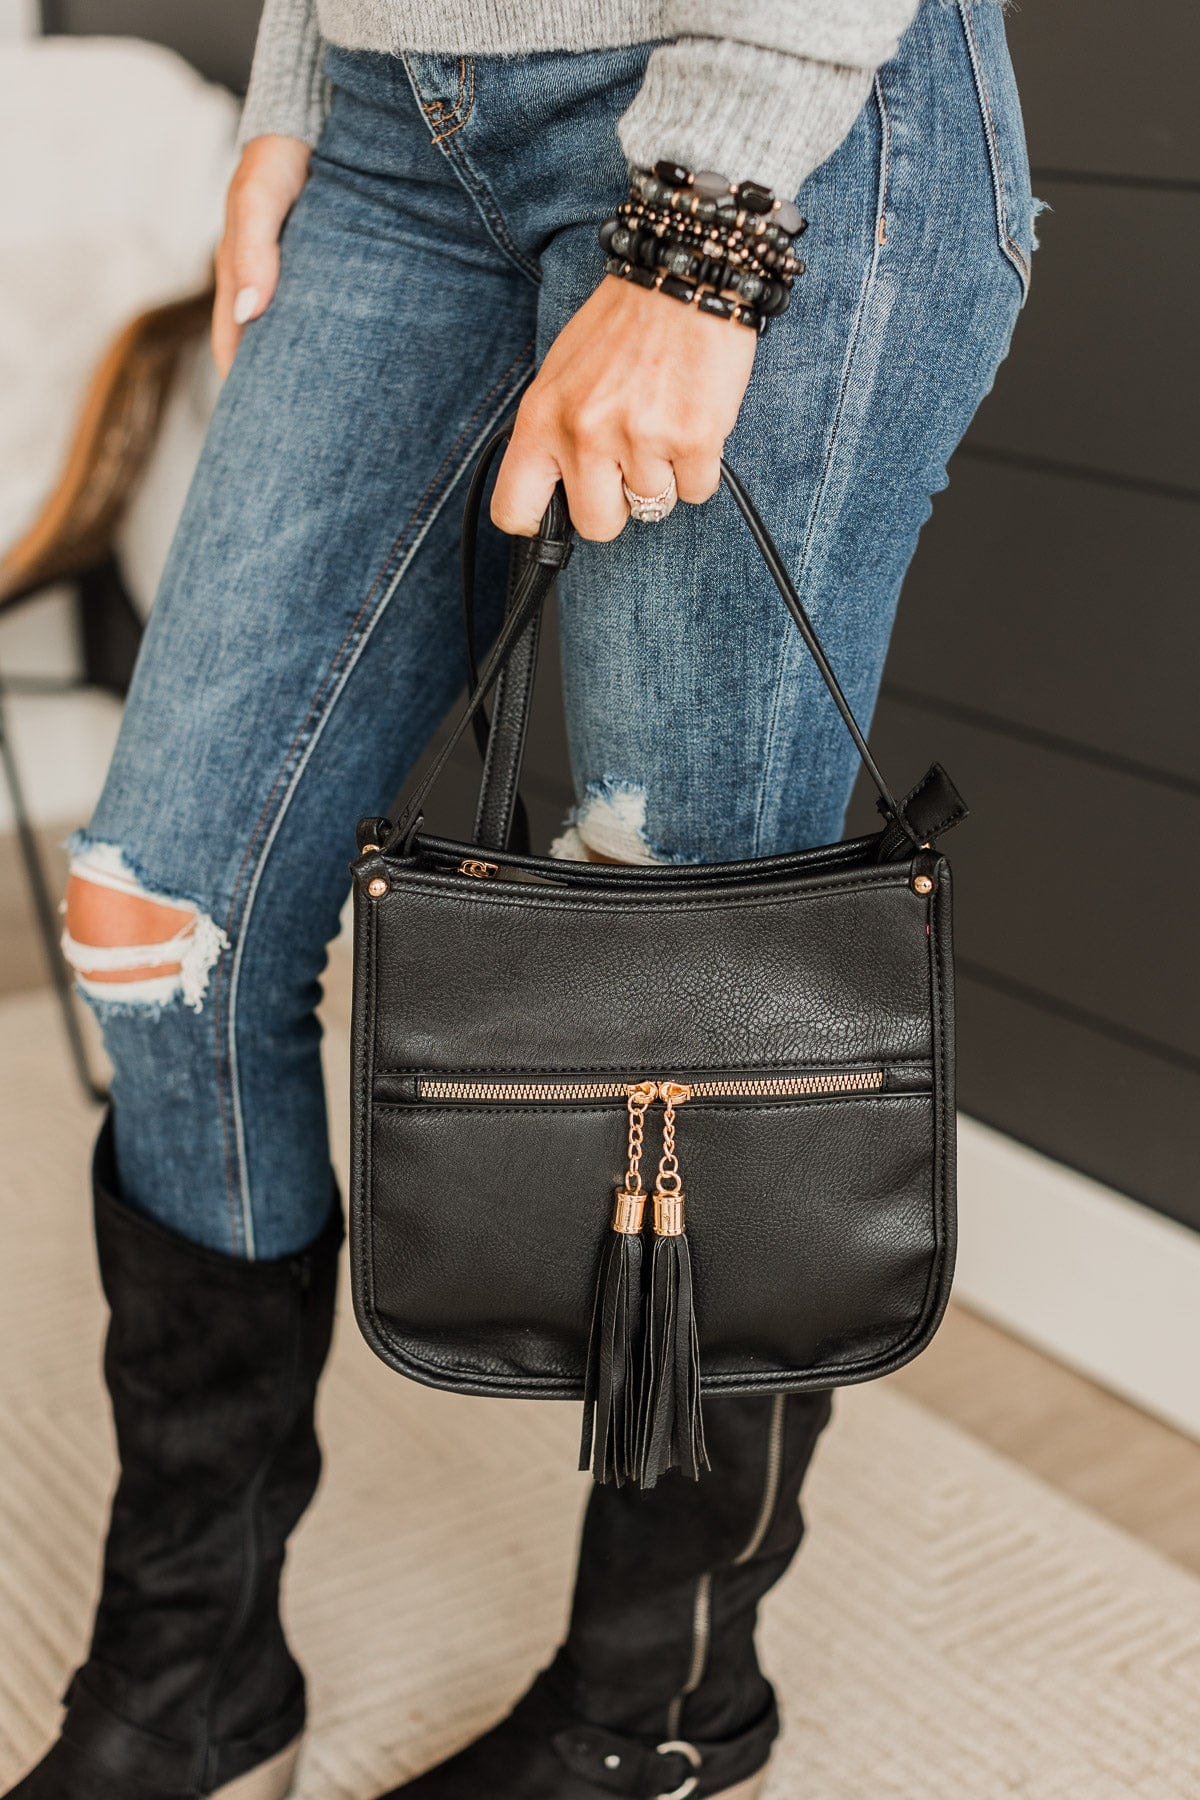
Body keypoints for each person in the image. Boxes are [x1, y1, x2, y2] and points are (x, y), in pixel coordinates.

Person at [10, 1, 1032, 1796]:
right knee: (159, 920)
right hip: (395, 127)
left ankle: (661, 1704)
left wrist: (713, 194)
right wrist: (296, 76)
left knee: (684, 1008)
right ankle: (191, 1659)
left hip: (753, 113)